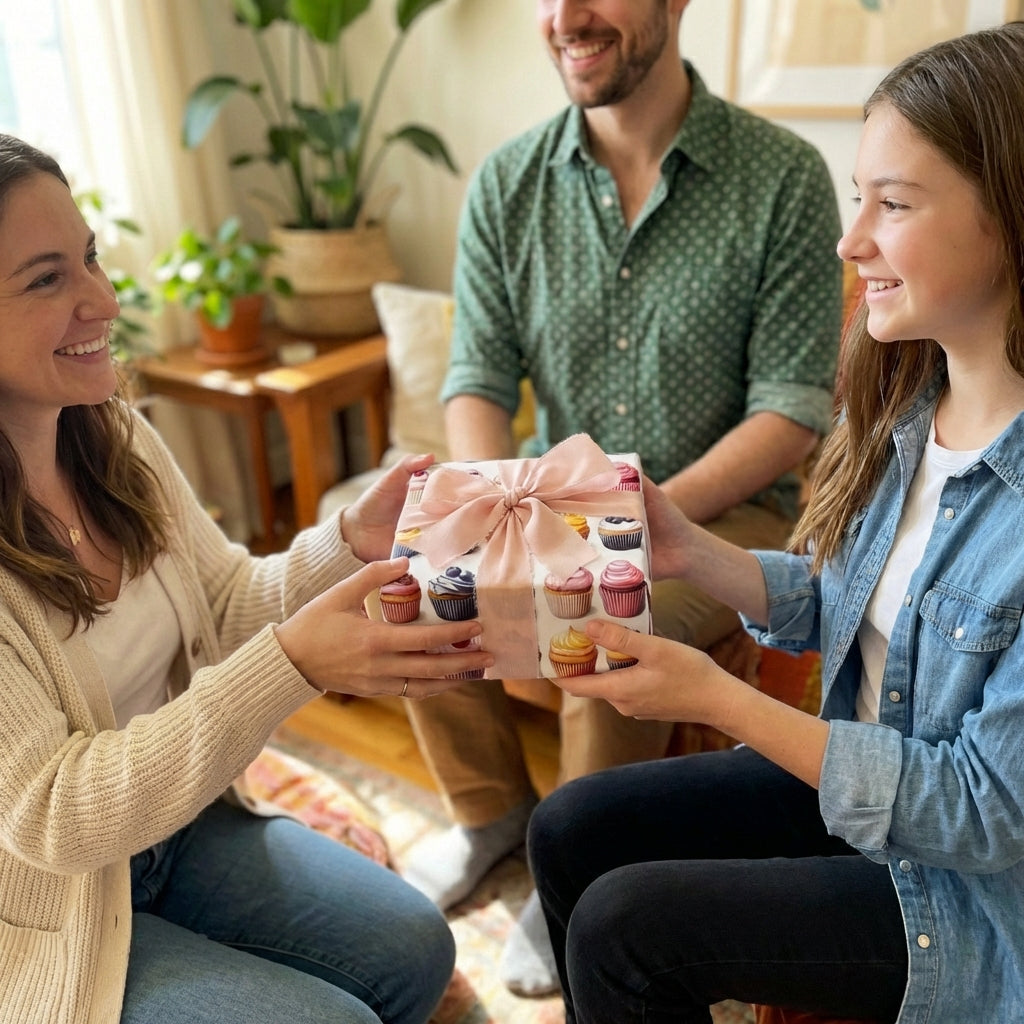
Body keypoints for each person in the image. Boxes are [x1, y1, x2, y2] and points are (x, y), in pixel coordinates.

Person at [527, 20, 1024, 1023]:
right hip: (869, 793)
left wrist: (720, 695)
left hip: (969, 893)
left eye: (893, 204)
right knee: (569, 823)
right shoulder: (907, 405)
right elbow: (841, 600)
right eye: (858, 201)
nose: (853, 243)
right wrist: (687, 549)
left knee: (626, 928)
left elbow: (982, 811)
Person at [0, 133, 497, 1024]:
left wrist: (350, 538)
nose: (103, 300)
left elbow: (226, 605)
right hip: (40, 907)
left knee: (415, 950)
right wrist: (294, 665)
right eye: (46, 281)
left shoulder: (114, 437)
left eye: (90, 260)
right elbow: (55, 815)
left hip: (176, 829)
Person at [400, 0, 843, 996]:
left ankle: (576, 871)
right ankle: (490, 814)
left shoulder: (781, 178)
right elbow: (475, 376)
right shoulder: (508, 181)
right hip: (551, 490)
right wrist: (482, 509)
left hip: (725, 511)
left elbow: (790, 411)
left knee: (603, 608)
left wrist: (627, 526)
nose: (565, 17)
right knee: (422, 570)